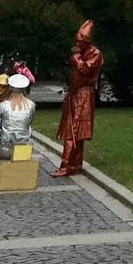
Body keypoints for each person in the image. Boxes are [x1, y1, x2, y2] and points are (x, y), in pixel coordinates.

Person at [52, 21, 103, 178]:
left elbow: (85, 69)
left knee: (73, 130)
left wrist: (75, 58)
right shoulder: (81, 53)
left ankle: (67, 165)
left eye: (79, 42)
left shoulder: (95, 54)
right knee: (72, 129)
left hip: (84, 94)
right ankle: (74, 164)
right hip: (75, 93)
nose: (76, 44)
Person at [0, 74, 36, 189]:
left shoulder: (3, 106)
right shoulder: (31, 105)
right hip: (23, 147)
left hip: (5, 148)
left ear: (9, 88)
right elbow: (29, 123)